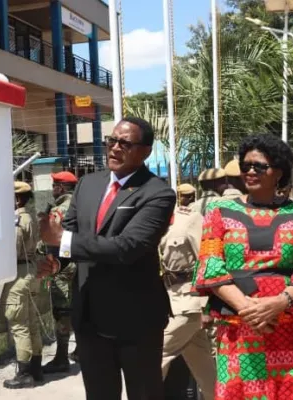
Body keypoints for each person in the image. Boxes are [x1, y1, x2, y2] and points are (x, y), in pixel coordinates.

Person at [38, 117, 177, 400]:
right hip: (90, 317)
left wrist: (63, 241)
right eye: (111, 141)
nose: (114, 148)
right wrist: (57, 261)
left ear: (145, 151)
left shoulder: (158, 193)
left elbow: (128, 248)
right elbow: (73, 233)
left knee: (145, 394)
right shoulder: (88, 184)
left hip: (137, 320)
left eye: (125, 143)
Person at [193, 133, 293, 400]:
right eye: (246, 166)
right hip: (238, 324)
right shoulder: (219, 211)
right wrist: (250, 310)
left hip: (288, 325)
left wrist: (278, 304)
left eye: (260, 166)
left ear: (278, 171)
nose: (251, 171)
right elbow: (210, 265)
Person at [159, 184, 216, 400]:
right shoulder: (152, 222)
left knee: (153, 358)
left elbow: (207, 261)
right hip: (167, 300)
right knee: (204, 368)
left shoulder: (189, 220)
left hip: (189, 301)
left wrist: (207, 305)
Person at [3, 181, 44, 389]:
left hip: (19, 273)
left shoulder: (17, 220)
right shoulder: (32, 217)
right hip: (32, 272)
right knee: (31, 321)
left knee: (19, 324)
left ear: (17, 199)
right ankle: (37, 368)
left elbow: (13, 250)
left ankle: (25, 373)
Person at [41, 171, 80, 374]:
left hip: (63, 265)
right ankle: (80, 350)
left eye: (55, 185)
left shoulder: (59, 209)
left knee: (62, 311)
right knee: (80, 307)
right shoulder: (82, 204)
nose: (53, 189)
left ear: (61, 188)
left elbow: (52, 238)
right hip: (81, 263)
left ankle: (61, 358)